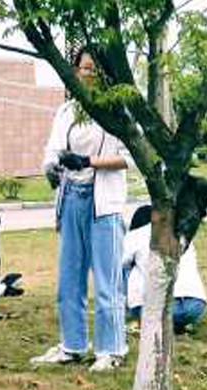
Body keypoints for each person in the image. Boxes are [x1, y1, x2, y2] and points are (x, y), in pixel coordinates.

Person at [31, 48, 131, 372]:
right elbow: (53, 149)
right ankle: (72, 345)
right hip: (71, 196)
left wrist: (89, 161)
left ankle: (112, 349)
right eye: (84, 68)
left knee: (107, 280)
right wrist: (53, 166)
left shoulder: (117, 110)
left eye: (95, 69)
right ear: (75, 72)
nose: (89, 74)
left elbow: (130, 157)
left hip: (104, 202)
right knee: (69, 279)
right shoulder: (67, 111)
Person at [123, 205, 207, 333]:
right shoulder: (182, 234)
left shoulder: (136, 235)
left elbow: (118, 264)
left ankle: (122, 308)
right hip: (194, 305)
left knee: (126, 268)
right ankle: (178, 323)